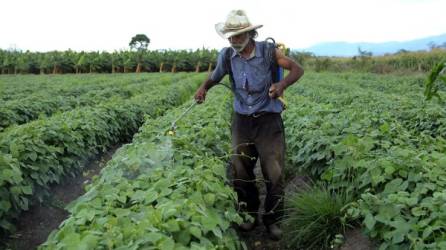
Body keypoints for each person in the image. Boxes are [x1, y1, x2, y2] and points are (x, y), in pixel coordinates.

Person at [194, 9, 304, 241]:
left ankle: (273, 220)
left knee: (273, 172)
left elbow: (297, 69)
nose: (233, 40)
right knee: (241, 169)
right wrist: (204, 88)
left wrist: (282, 84)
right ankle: (250, 215)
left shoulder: (267, 52)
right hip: (242, 119)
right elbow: (215, 76)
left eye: (237, 36)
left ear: (249, 34)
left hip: (268, 120)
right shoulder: (227, 56)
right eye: (230, 36)